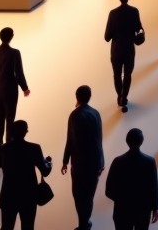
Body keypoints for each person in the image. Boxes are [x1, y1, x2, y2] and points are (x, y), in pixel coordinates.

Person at [61, 84, 104, 230]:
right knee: (89, 195)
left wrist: (65, 161)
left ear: (76, 97)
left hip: (80, 164)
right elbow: (99, 139)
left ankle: (83, 224)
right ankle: (85, 223)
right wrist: (101, 161)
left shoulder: (75, 115)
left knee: (78, 195)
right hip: (96, 162)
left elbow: (71, 139)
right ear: (89, 97)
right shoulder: (96, 113)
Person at [0, 28, 30, 173]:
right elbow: (18, 72)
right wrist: (25, 88)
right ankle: (9, 159)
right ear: (11, 37)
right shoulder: (15, 53)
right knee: (10, 125)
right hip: (10, 92)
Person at [0, 120, 51, 230]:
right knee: (28, 227)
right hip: (28, 196)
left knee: (6, 227)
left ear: (11, 132)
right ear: (26, 132)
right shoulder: (34, 148)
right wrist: (49, 163)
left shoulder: (3, 149)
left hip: (8, 195)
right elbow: (45, 172)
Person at [105, 127, 158, 230]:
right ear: (141, 141)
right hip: (143, 211)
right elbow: (153, 188)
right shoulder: (150, 162)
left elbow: (109, 190)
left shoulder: (117, 161)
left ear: (127, 141)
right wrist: (155, 208)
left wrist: (122, 200)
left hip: (122, 211)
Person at [104, 0, 143, 112]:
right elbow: (139, 28)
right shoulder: (134, 11)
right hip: (129, 49)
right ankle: (124, 96)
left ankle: (119, 96)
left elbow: (107, 37)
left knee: (116, 74)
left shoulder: (113, 13)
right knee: (127, 75)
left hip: (116, 50)